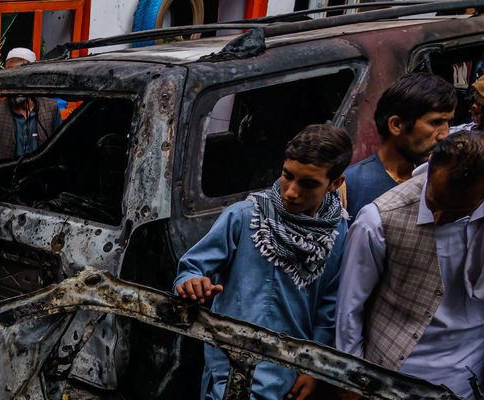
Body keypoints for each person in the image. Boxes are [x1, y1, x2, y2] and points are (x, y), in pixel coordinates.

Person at [174, 124, 353, 400]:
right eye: (287, 176)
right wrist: (192, 283)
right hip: (229, 360)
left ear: (335, 183)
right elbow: (193, 267)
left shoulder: (338, 232)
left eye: (308, 184)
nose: (292, 192)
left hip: (289, 369)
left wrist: (313, 370)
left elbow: (328, 308)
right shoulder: (244, 216)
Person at [336, 131, 484, 399]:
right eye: (435, 203)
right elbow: (349, 307)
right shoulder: (378, 219)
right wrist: (351, 380)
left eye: (456, 211)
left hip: (469, 381)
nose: (439, 218)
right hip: (393, 379)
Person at [343, 73, 455, 219]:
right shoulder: (350, 185)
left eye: (448, 123)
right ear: (397, 125)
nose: (444, 135)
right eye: (435, 123)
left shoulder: (444, 178)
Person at [0, 48, 62, 163]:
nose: (14, 83)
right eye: (10, 77)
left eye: (19, 77)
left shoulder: (51, 108)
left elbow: (59, 152)